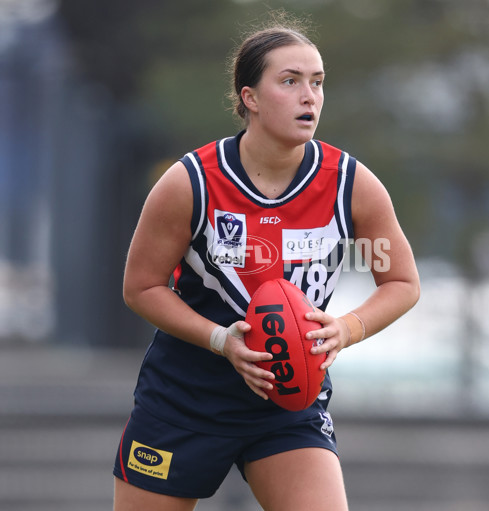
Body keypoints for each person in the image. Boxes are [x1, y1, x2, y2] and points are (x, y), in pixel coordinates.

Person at [113, 12, 420, 511]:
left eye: (317, 83)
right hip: (185, 399)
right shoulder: (190, 183)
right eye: (290, 81)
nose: (309, 96)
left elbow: (402, 282)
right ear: (249, 99)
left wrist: (347, 328)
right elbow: (141, 288)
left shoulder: (350, 183)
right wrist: (222, 341)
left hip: (288, 401)